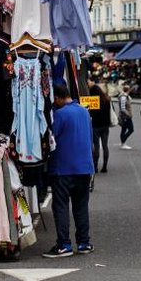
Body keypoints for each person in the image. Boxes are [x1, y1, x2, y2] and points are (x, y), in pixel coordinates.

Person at [43, 84, 95, 258]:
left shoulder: (59, 114)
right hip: (84, 168)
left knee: (61, 206)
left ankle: (64, 245)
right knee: (81, 206)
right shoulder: (84, 112)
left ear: (57, 98)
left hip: (63, 168)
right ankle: (83, 243)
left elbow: (51, 141)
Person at [88, 84, 111, 174]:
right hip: (105, 126)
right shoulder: (106, 100)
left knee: (96, 146)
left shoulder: (92, 101)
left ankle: (95, 166)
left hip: (95, 126)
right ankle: (105, 166)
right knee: (105, 146)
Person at [117, 84, 134, 150]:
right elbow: (123, 108)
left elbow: (130, 100)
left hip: (125, 116)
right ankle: (123, 142)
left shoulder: (125, 96)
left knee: (123, 129)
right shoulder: (123, 97)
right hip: (125, 117)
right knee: (131, 129)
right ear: (128, 90)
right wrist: (128, 114)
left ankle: (123, 143)